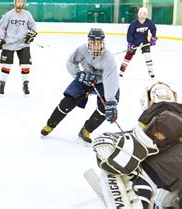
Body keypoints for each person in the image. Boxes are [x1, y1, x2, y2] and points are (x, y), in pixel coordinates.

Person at [91, 81, 181, 209]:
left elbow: (160, 128)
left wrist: (118, 142)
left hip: (151, 174)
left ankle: (141, 179)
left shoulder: (165, 117)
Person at [40, 28, 120, 144]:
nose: (95, 46)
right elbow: (70, 62)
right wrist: (78, 74)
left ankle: (86, 130)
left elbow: (111, 79)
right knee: (68, 101)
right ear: (89, 42)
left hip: (102, 83)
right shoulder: (82, 50)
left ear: (103, 43)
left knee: (105, 107)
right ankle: (50, 124)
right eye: (93, 43)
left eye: (99, 43)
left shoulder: (108, 58)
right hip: (84, 79)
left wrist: (111, 101)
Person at [0, 0, 37, 95]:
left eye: (21, 2)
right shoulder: (8, 14)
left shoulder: (27, 14)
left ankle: (25, 85)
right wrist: (1, 39)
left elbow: (33, 25)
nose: (19, 3)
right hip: (9, 44)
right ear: (15, 3)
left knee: (25, 65)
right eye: (17, 1)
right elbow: (2, 27)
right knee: (6, 65)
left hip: (23, 44)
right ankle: (2, 85)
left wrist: (32, 33)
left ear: (23, 3)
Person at [119, 7, 158, 78]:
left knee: (148, 55)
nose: (142, 15)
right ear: (138, 14)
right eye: (140, 13)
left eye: (144, 13)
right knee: (128, 56)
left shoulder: (149, 22)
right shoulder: (134, 24)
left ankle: (151, 71)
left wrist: (153, 37)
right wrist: (130, 43)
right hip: (134, 42)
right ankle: (121, 71)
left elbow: (153, 29)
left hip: (144, 42)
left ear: (146, 15)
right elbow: (129, 33)